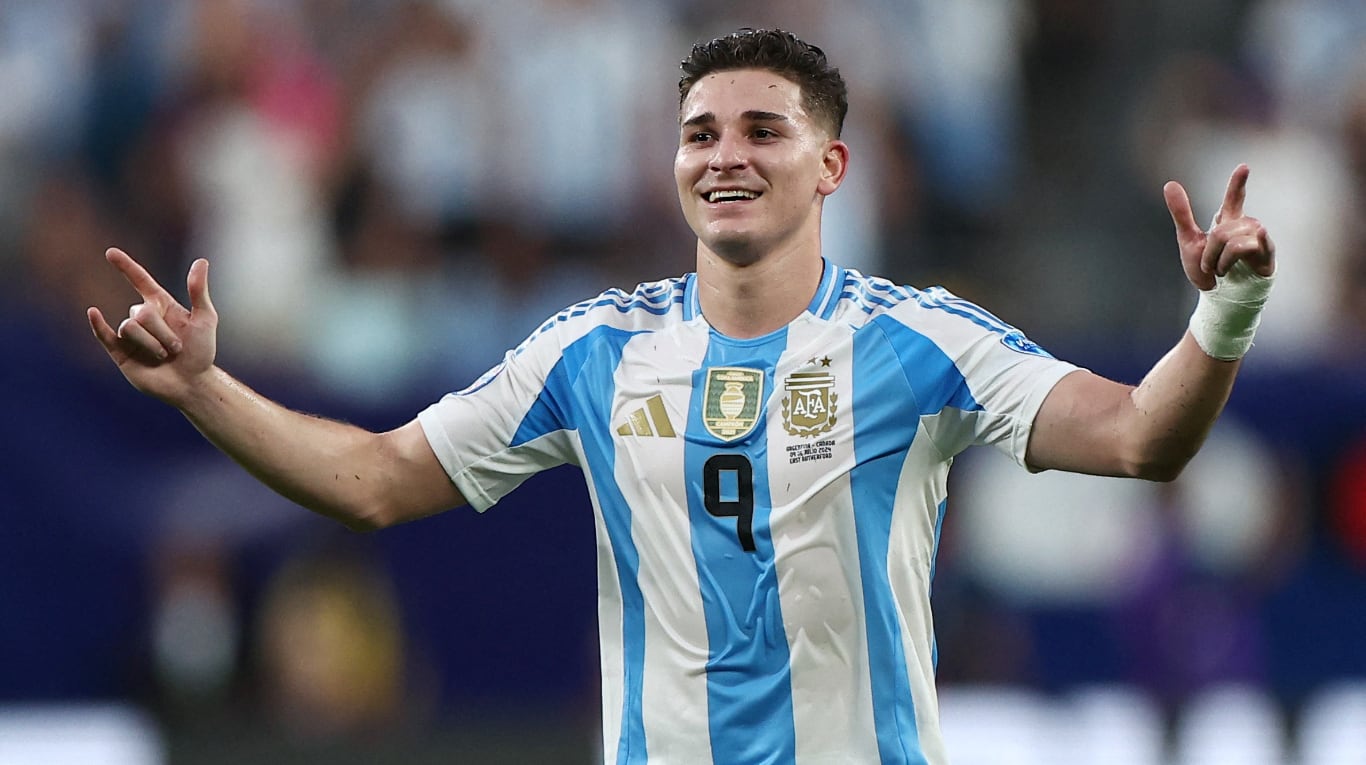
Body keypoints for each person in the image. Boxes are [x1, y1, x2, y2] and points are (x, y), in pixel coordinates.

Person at [89, 28, 1276, 765]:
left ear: (831, 166)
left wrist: (1220, 314)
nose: (726, 155)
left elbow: (1136, 440)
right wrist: (205, 388)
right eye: (701, 132)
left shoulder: (916, 342)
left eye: (764, 130)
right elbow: (378, 481)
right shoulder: (593, 353)